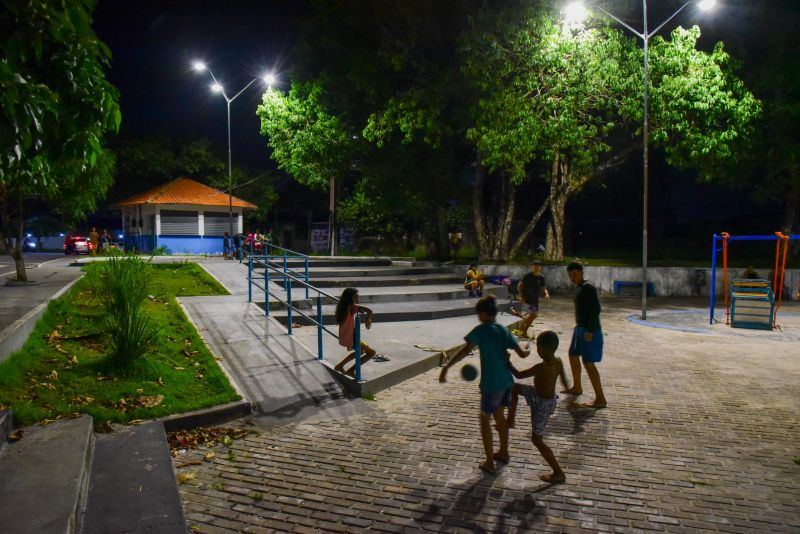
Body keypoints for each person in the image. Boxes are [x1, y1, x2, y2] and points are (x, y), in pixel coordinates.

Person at [439, 295, 531, 474]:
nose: (478, 317)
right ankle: (503, 452)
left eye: (478, 313)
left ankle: (489, 461)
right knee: (500, 418)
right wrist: (528, 347)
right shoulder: (503, 330)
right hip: (506, 382)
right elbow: (521, 354)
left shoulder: (481, 330)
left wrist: (447, 367)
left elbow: (465, 350)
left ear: (483, 313)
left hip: (491, 384)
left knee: (484, 420)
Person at [505, 331, 569, 483]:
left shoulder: (541, 367)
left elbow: (519, 375)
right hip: (537, 395)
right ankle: (510, 420)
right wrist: (569, 398)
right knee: (514, 388)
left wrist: (507, 362)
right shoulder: (558, 362)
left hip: (542, 405)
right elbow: (564, 380)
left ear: (544, 349)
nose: (538, 351)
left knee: (537, 440)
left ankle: (558, 472)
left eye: (539, 348)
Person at [562, 261, 607, 409]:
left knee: (588, 363)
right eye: (570, 275)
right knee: (572, 354)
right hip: (579, 328)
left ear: (581, 272)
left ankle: (600, 398)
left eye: (574, 274)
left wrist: (590, 330)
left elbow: (596, 309)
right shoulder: (579, 288)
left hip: (589, 329)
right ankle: (577, 387)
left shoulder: (588, 287)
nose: (572, 278)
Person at [333, 288, 378, 377]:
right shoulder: (352, 307)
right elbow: (369, 310)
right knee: (371, 353)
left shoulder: (343, 306)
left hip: (347, 336)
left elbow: (356, 309)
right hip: (352, 338)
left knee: (360, 352)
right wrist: (368, 319)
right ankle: (350, 370)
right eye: (356, 296)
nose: (357, 297)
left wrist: (358, 308)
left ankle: (340, 366)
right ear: (350, 297)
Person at [514, 260, 550, 338]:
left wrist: (546, 293)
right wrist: (521, 296)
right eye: (535, 266)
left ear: (540, 268)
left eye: (538, 266)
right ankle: (522, 325)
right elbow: (520, 285)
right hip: (526, 299)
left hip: (535, 300)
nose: (536, 268)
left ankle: (524, 332)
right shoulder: (527, 276)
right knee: (534, 315)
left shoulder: (541, 277)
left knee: (532, 317)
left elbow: (543, 287)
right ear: (532, 267)